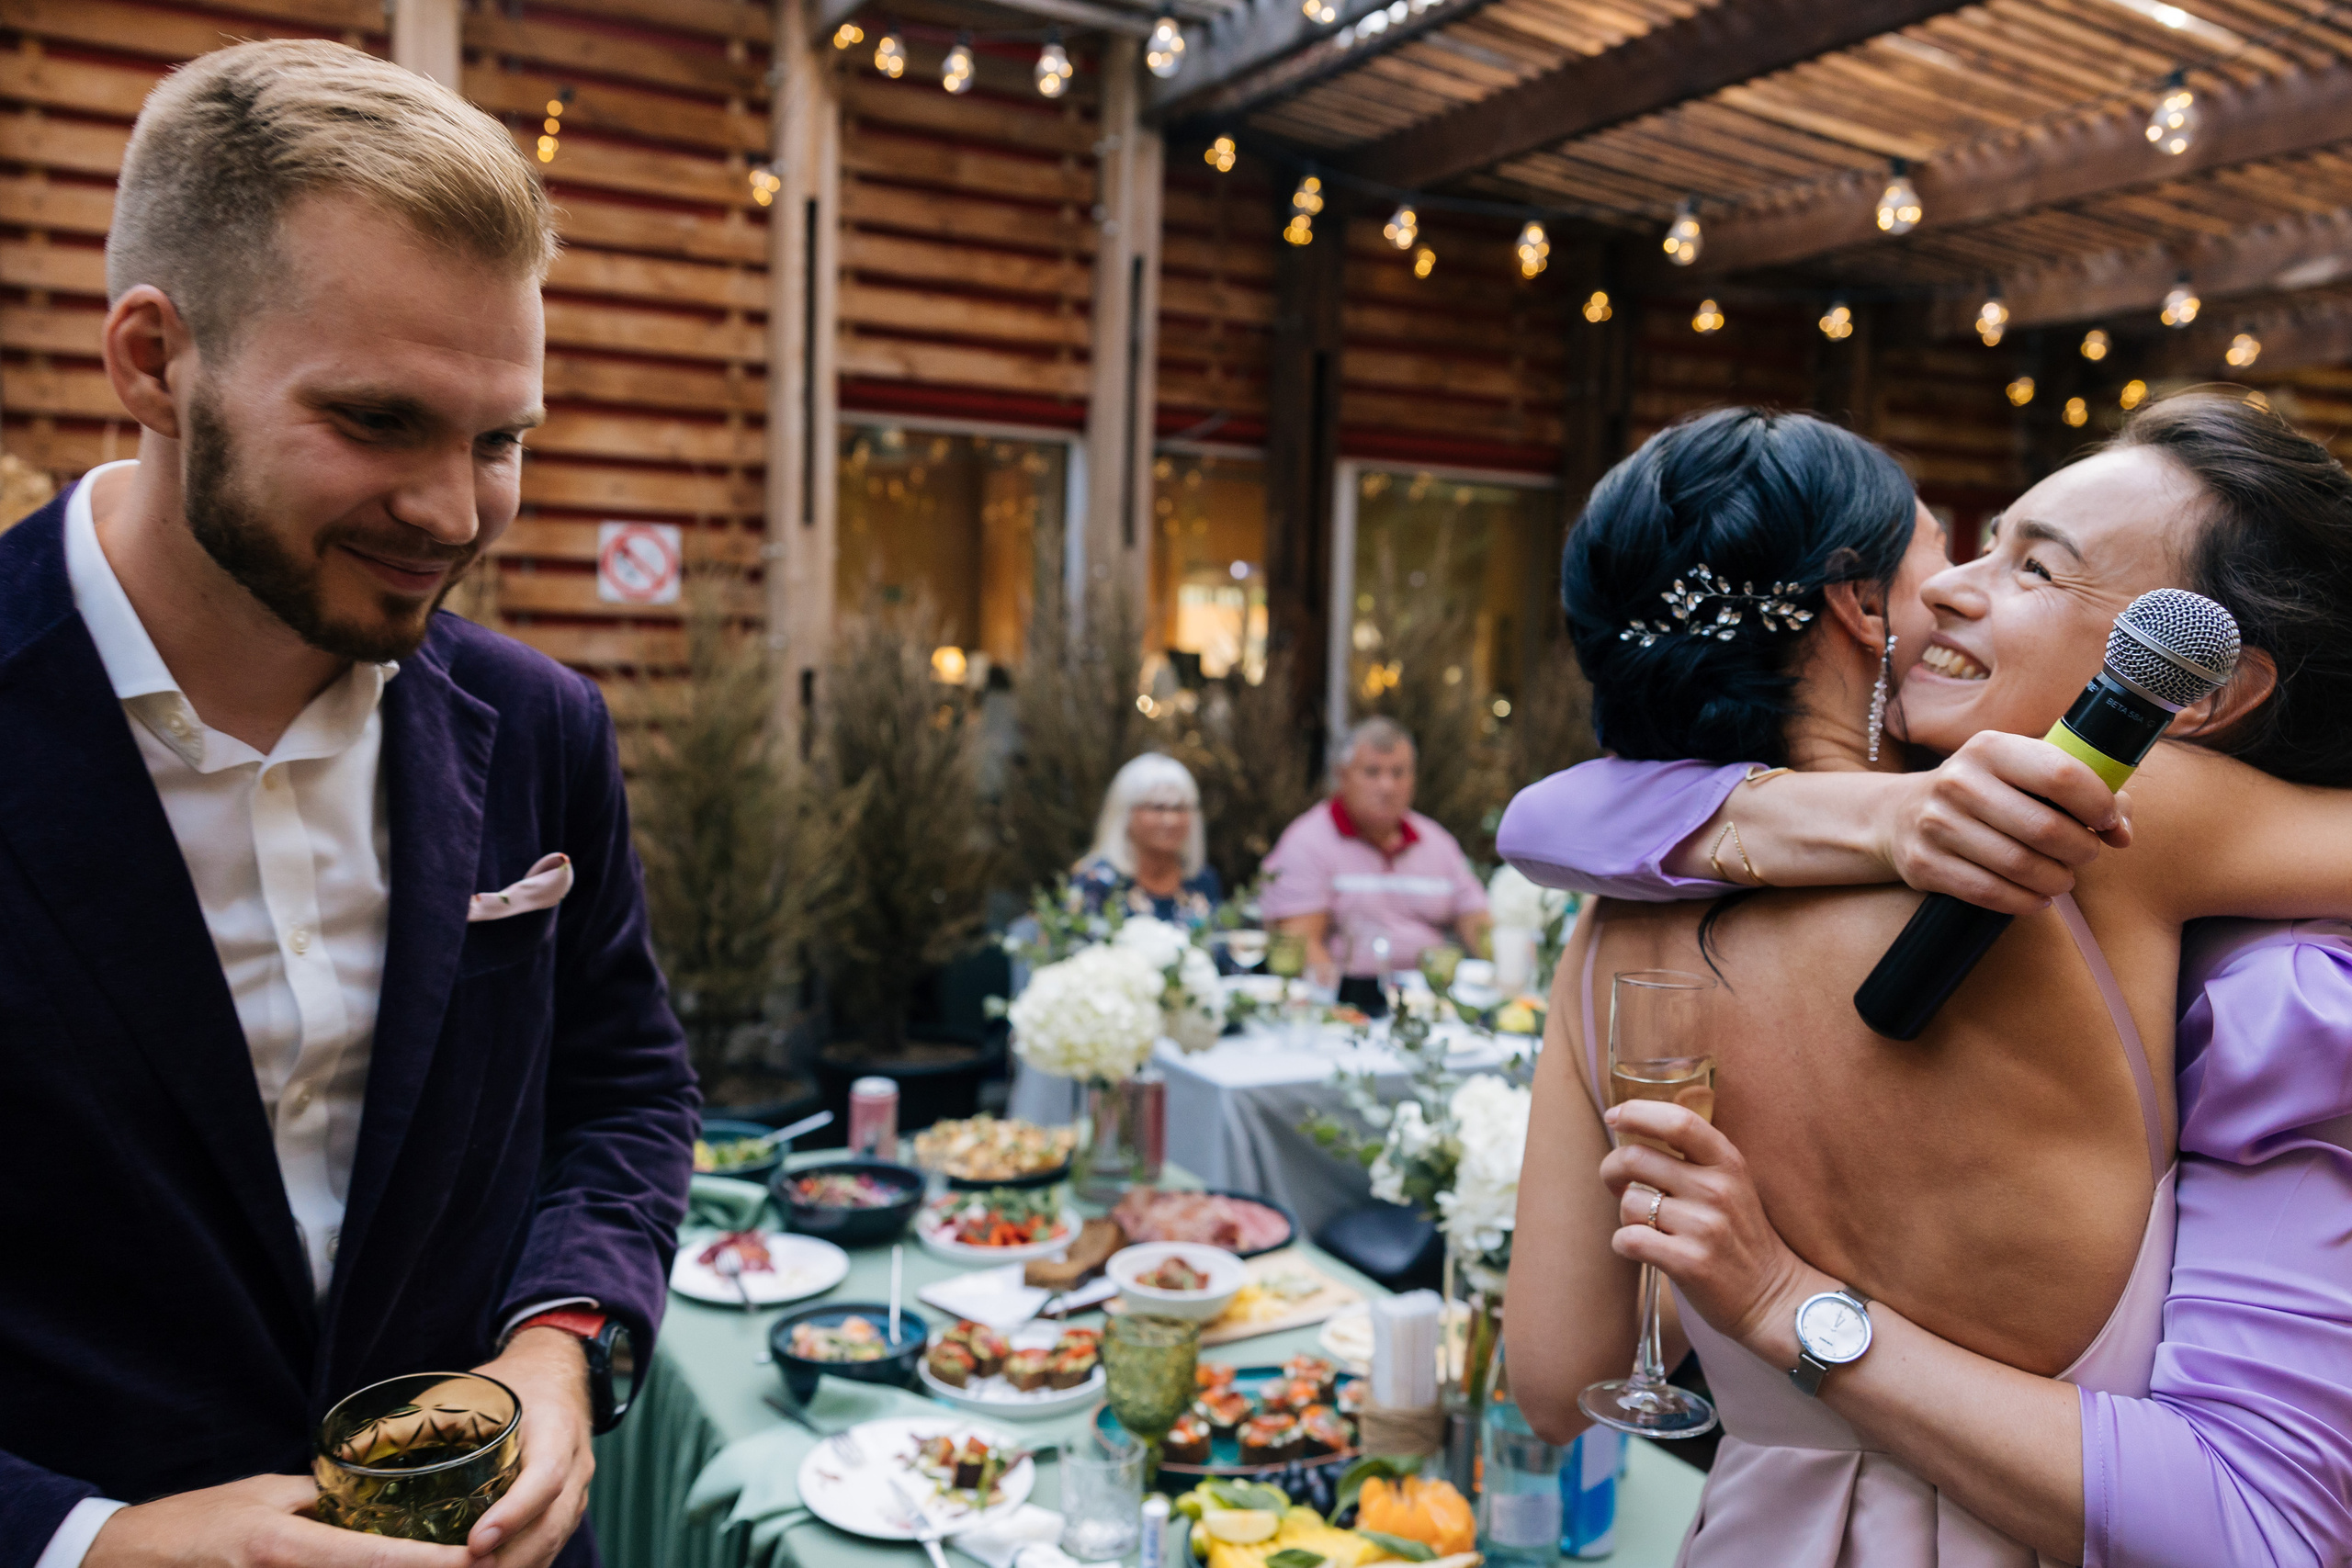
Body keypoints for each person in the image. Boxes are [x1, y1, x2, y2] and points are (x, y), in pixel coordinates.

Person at [0, 42, 696, 1568]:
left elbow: (626, 1084)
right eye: (380, 421)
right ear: (151, 360)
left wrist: (562, 1341)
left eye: (499, 439)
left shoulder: (540, 729)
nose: (455, 512)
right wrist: (89, 1541)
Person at [1498, 402, 2352, 1565]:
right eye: (1959, 548)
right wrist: (1887, 816)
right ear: (1852, 610)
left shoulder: (1605, 925)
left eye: (2028, 567)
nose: (1954, 587)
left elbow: (1556, 1382)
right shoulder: (2110, 836)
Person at [1259, 716, 1489, 1008]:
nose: (1387, 786)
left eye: (1398, 772)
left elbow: (1479, 924)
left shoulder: (1437, 842)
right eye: (1372, 772)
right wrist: (1342, 1011)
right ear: (1341, 775)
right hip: (1353, 1003)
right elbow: (1301, 944)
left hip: (1435, 1003)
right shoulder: (1307, 842)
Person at [1071, 751, 1222, 929]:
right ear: (1125, 814)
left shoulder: (1202, 880)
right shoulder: (1096, 881)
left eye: (1180, 808)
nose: (1170, 820)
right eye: (1158, 808)